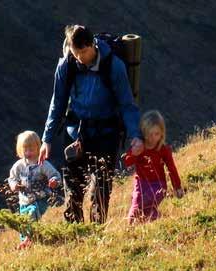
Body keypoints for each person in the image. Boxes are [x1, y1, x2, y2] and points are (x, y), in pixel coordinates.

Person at [38, 24, 143, 224]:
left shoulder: (113, 65)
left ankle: (96, 236)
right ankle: (74, 236)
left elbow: (127, 104)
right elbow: (57, 103)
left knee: (100, 190)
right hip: (75, 134)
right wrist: (47, 139)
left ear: (92, 45)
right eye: (75, 53)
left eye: (83, 52)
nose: (79, 57)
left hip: (106, 133)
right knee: (72, 189)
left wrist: (135, 135)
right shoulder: (66, 65)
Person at [124, 110, 184, 224]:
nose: (152, 138)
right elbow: (127, 162)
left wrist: (177, 187)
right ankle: (146, 223)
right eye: (149, 134)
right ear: (143, 132)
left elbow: (171, 168)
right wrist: (134, 153)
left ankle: (144, 222)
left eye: (156, 134)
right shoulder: (140, 147)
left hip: (158, 185)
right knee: (139, 208)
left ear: (162, 133)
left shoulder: (163, 149)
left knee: (141, 206)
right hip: (140, 184)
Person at [8, 130, 61, 249]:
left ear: (38, 148)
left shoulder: (42, 164)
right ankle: (26, 244)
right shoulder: (19, 165)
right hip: (24, 200)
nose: (28, 152)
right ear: (20, 150)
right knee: (23, 222)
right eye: (25, 150)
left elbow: (55, 175)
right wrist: (14, 185)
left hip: (40, 199)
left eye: (31, 149)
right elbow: (12, 178)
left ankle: (27, 240)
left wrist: (54, 181)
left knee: (32, 215)